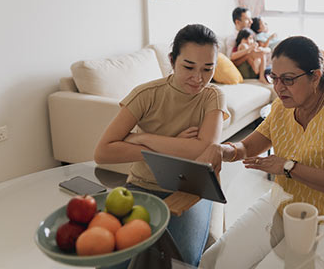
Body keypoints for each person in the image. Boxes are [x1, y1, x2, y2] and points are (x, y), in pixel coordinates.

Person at [200, 36, 324, 268]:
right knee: (214, 262)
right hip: (287, 200)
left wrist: (288, 167)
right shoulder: (281, 108)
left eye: (288, 79)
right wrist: (221, 150)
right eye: (274, 78)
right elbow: (247, 146)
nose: (278, 87)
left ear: (314, 76)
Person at [94, 24, 229, 267]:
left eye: (208, 69)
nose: (198, 79)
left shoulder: (213, 96)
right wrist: (176, 147)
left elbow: (205, 150)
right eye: (189, 67)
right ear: (172, 60)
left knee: (178, 262)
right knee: (112, 259)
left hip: (192, 189)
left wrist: (143, 138)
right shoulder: (145, 95)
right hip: (142, 185)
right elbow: (103, 152)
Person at [248, 13, 324, 86]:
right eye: (264, 23)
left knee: (318, 50)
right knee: (315, 58)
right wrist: (270, 38)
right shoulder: (259, 37)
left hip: (290, 47)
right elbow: (264, 50)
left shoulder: (266, 33)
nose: (266, 25)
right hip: (287, 52)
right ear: (258, 28)